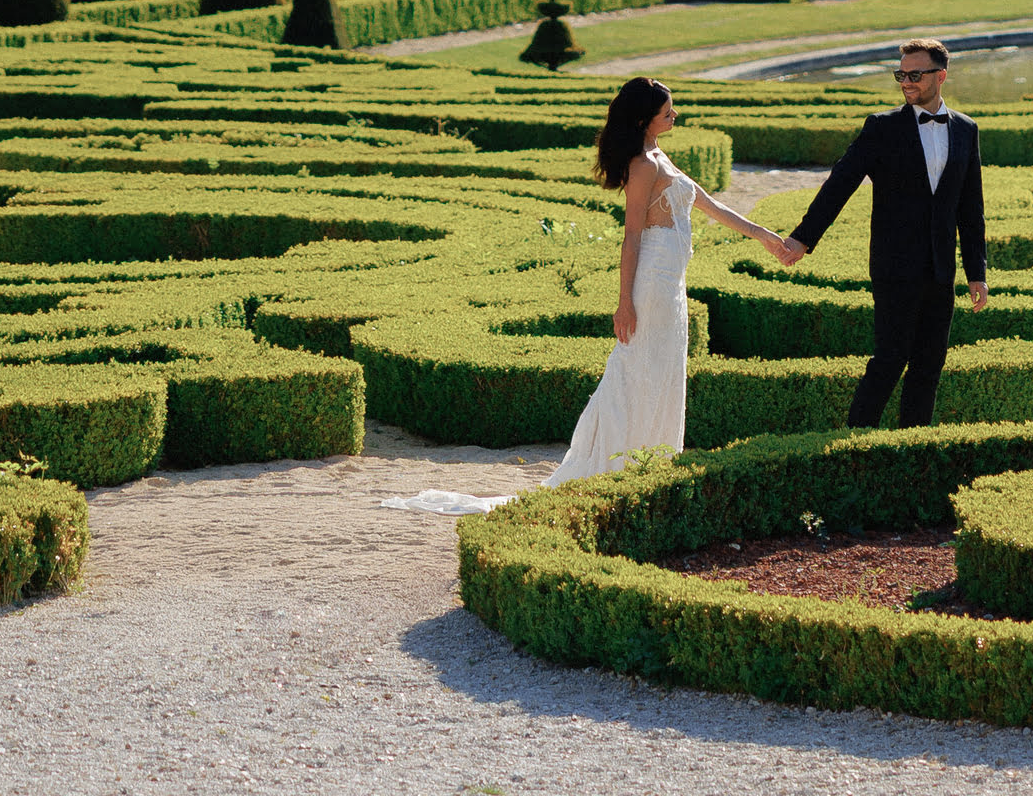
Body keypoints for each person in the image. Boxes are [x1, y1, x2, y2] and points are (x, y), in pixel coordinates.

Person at [382, 78, 786, 515]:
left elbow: (708, 203)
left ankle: (652, 461)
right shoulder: (643, 165)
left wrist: (763, 235)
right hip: (651, 285)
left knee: (664, 371)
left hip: (671, 286)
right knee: (638, 371)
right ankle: (623, 465)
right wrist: (624, 301)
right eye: (667, 110)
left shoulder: (659, 154)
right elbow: (631, 237)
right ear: (644, 118)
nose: (675, 115)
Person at [777, 38, 987, 428]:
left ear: (940, 76)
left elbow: (970, 208)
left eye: (914, 75)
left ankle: (912, 445)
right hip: (894, 264)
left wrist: (977, 272)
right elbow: (840, 183)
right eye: (901, 75)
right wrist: (803, 238)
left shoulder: (966, 129)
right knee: (891, 357)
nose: (906, 82)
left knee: (930, 363)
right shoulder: (882, 127)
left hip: (941, 268)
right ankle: (856, 440)